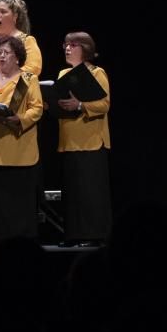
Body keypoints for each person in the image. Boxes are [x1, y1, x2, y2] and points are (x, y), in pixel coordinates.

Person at [0, 35, 44, 241]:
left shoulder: (29, 79)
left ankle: (23, 238)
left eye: (6, 53)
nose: (1, 57)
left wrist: (19, 119)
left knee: (19, 199)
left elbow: (36, 109)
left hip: (19, 147)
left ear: (18, 57)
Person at [55, 32, 111, 246]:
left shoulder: (97, 73)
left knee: (90, 190)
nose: (67, 49)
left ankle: (93, 234)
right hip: (69, 139)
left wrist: (80, 106)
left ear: (85, 48)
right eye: (65, 44)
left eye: (73, 45)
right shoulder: (63, 73)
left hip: (91, 139)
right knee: (73, 191)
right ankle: (73, 234)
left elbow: (104, 104)